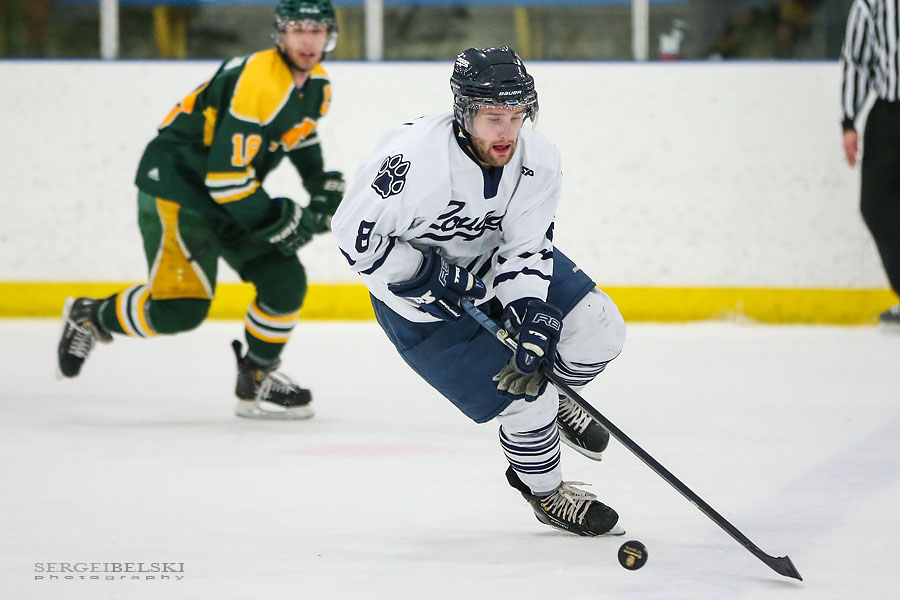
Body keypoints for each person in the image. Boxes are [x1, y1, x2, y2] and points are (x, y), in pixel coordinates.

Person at [331, 47, 627, 536]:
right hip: (417, 304)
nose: (507, 132)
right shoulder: (411, 162)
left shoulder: (540, 159)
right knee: (527, 405)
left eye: (517, 116)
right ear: (464, 113)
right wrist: (423, 272)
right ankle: (545, 490)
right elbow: (354, 238)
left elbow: (527, 246)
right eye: (494, 118)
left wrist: (530, 308)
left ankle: (556, 390)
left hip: (490, 267)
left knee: (600, 328)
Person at [56, 0, 346, 419]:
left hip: (230, 193)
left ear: (328, 35)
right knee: (180, 310)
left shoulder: (317, 85)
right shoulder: (258, 82)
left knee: (283, 281)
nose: (308, 40)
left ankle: (257, 378)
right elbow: (224, 178)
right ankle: (90, 315)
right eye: (298, 29)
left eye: (316, 31)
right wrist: (281, 220)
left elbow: (296, 134)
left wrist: (318, 182)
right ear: (280, 34)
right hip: (179, 189)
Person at [840, 0, 900, 330]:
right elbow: (857, 60)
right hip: (890, 113)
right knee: (876, 206)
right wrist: (848, 120)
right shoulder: (873, 3)